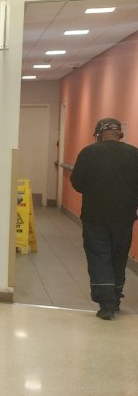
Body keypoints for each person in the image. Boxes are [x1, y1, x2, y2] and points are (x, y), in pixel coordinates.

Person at [70, 117, 138, 320]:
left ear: (98, 134)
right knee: (119, 256)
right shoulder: (134, 154)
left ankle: (106, 304)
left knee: (99, 256)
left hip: (95, 215)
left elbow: (77, 183)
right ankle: (115, 297)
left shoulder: (88, 153)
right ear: (120, 133)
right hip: (124, 217)